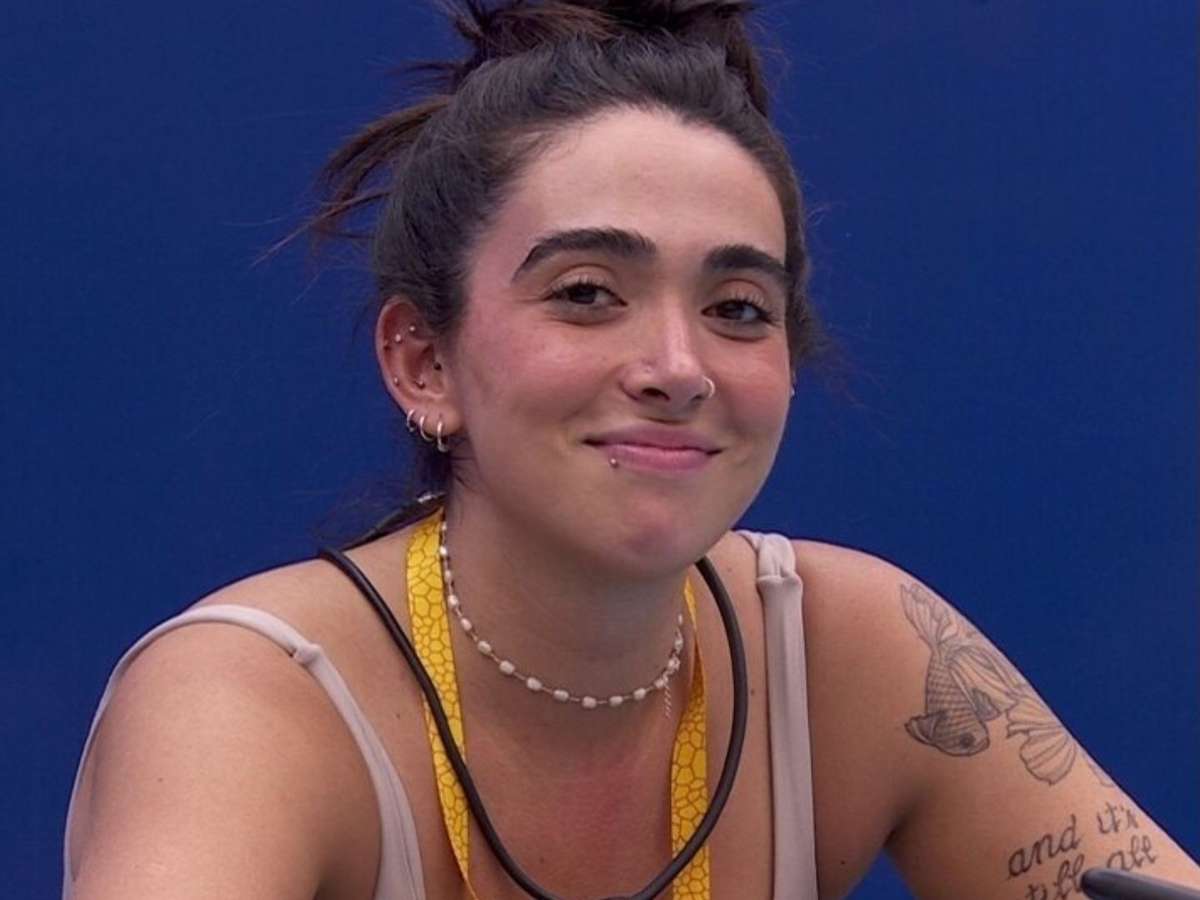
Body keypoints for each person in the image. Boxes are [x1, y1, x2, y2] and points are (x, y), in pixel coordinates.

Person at [62, 2, 1200, 898]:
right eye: (587, 292)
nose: (677, 366)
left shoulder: (858, 647)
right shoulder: (244, 701)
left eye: (738, 309)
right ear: (424, 363)